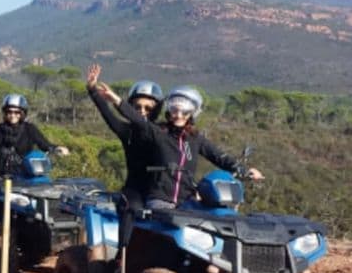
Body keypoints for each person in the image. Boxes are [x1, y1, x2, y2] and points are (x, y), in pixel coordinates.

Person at [97, 82, 263, 209]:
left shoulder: (196, 139)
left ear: (192, 114)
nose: (179, 115)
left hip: (187, 200)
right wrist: (116, 100)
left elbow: (219, 157)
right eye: (175, 110)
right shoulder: (159, 132)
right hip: (160, 200)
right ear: (169, 111)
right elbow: (138, 120)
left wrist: (244, 170)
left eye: (184, 112)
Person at [86, 64, 163, 249]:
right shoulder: (126, 131)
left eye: (148, 108)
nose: (142, 111)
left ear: (157, 109)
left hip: (162, 190)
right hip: (135, 189)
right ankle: (123, 256)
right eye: (137, 107)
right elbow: (107, 113)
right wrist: (92, 90)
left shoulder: (163, 132)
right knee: (130, 208)